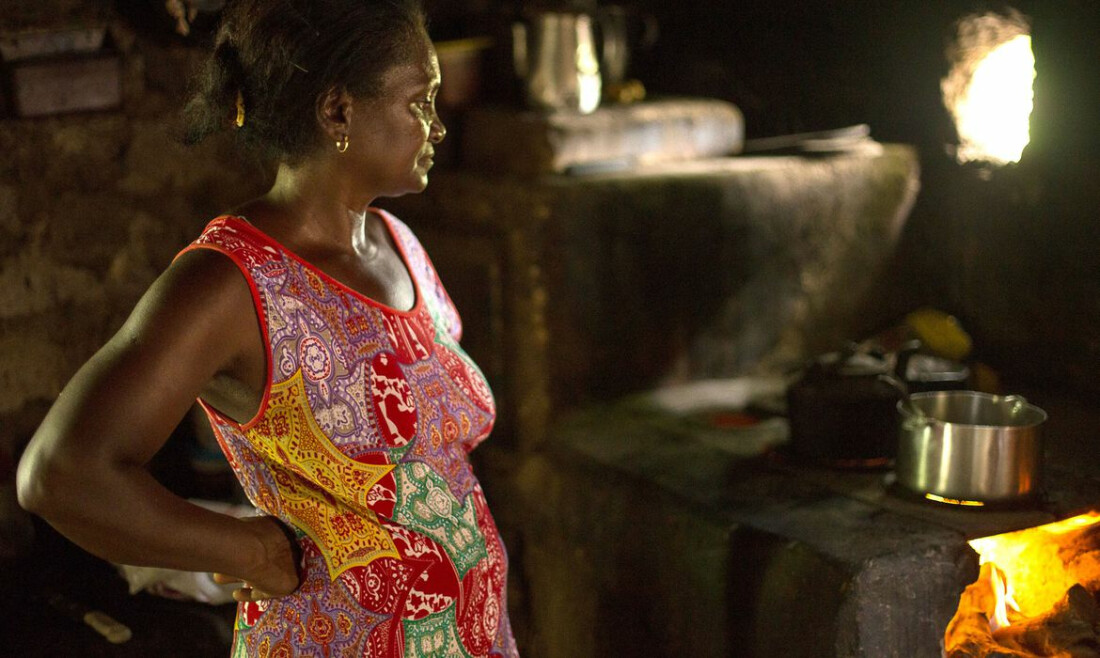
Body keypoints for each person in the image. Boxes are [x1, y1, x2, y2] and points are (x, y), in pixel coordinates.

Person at [16, 0, 518, 655]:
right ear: (338, 111)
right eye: (419, 101)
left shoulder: (399, 244)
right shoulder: (229, 281)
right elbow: (62, 473)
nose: (437, 126)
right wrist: (246, 547)